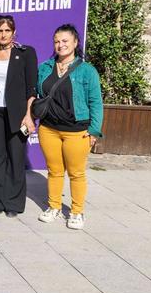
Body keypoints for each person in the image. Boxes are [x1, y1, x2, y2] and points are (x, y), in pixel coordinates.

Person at [36, 24, 103, 230]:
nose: (60, 45)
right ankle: (54, 207)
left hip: (77, 131)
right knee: (54, 171)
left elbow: (96, 102)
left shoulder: (87, 71)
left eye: (65, 41)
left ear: (75, 43)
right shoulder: (45, 67)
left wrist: (94, 130)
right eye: (56, 41)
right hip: (48, 128)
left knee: (76, 173)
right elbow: (36, 93)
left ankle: (76, 211)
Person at [0, 15, 38, 217]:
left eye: (7, 30)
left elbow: (31, 88)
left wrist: (29, 115)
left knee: (16, 157)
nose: (3, 34)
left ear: (14, 32)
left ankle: (14, 203)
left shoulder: (25, 53)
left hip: (17, 113)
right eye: (0, 30)